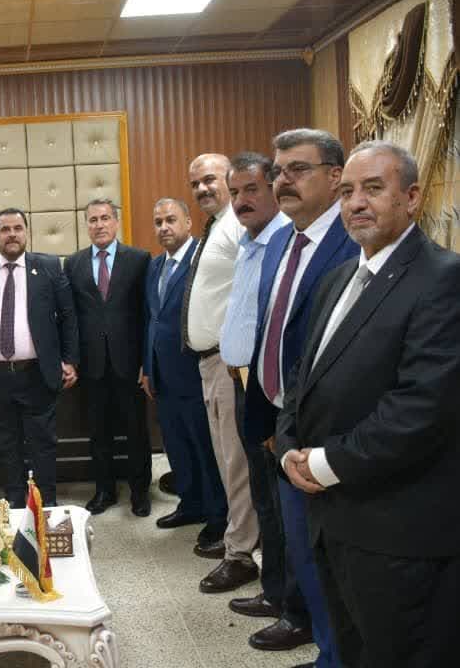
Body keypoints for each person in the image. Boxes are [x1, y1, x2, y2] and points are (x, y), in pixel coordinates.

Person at [277, 142, 458, 668]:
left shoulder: (444, 278)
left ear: (412, 197)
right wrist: (288, 447)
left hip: (399, 532)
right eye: (348, 191)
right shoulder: (337, 280)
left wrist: (323, 463)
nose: (356, 203)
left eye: (374, 189)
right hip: (333, 520)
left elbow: (420, 409)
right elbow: (302, 379)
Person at [242, 130, 357, 663]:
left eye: (298, 169)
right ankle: (327, 652)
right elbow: (273, 332)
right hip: (283, 425)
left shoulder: (353, 243)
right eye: (279, 171)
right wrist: (271, 419)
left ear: (335, 177)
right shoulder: (281, 242)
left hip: (332, 434)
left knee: (337, 565)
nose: (283, 180)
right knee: (305, 559)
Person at [217, 152, 309, 653]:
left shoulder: (284, 241)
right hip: (246, 384)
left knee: (282, 502)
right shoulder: (251, 243)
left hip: (274, 388)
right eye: (235, 192)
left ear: (273, 188)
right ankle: (273, 591)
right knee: (264, 499)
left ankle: (294, 608)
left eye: (251, 189)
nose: (241, 200)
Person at [0, 208, 79, 506]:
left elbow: (69, 316)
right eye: (5, 229)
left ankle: (45, 504)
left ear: (26, 232)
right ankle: (14, 503)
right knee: (5, 443)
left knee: (42, 444)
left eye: (17, 228)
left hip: (38, 372)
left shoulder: (49, 266)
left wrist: (70, 360)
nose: (12, 234)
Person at [181, 153, 259, 593]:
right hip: (210, 363)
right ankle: (238, 537)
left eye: (209, 179)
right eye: (195, 184)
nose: (202, 189)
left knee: (236, 462)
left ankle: (241, 553)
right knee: (226, 460)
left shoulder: (237, 226)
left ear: (228, 180)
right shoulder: (216, 227)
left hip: (232, 365)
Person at [142, 198, 227, 545]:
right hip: (162, 376)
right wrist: (147, 367)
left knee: (205, 448)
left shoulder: (201, 260)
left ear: (188, 222)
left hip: (194, 372)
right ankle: (191, 504)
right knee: (176, 447)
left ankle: (218, 516)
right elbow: (153, 320)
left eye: (171, 220)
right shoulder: (155, 266)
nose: (164, 227)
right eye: (158, 222)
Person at [64, 198, 152, 517]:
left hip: (129, 362)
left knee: (135, 431)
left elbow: (148, 314)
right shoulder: (72, 263)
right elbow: (70, 317)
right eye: (93, 220)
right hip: (92, 364)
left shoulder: (139, 259)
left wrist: (146, 362)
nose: (99, 224)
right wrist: (71, 359)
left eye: (104, 218)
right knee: (98, 432)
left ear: (116, 222)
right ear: (86, 225)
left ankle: (140, 492)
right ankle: (104, 491)